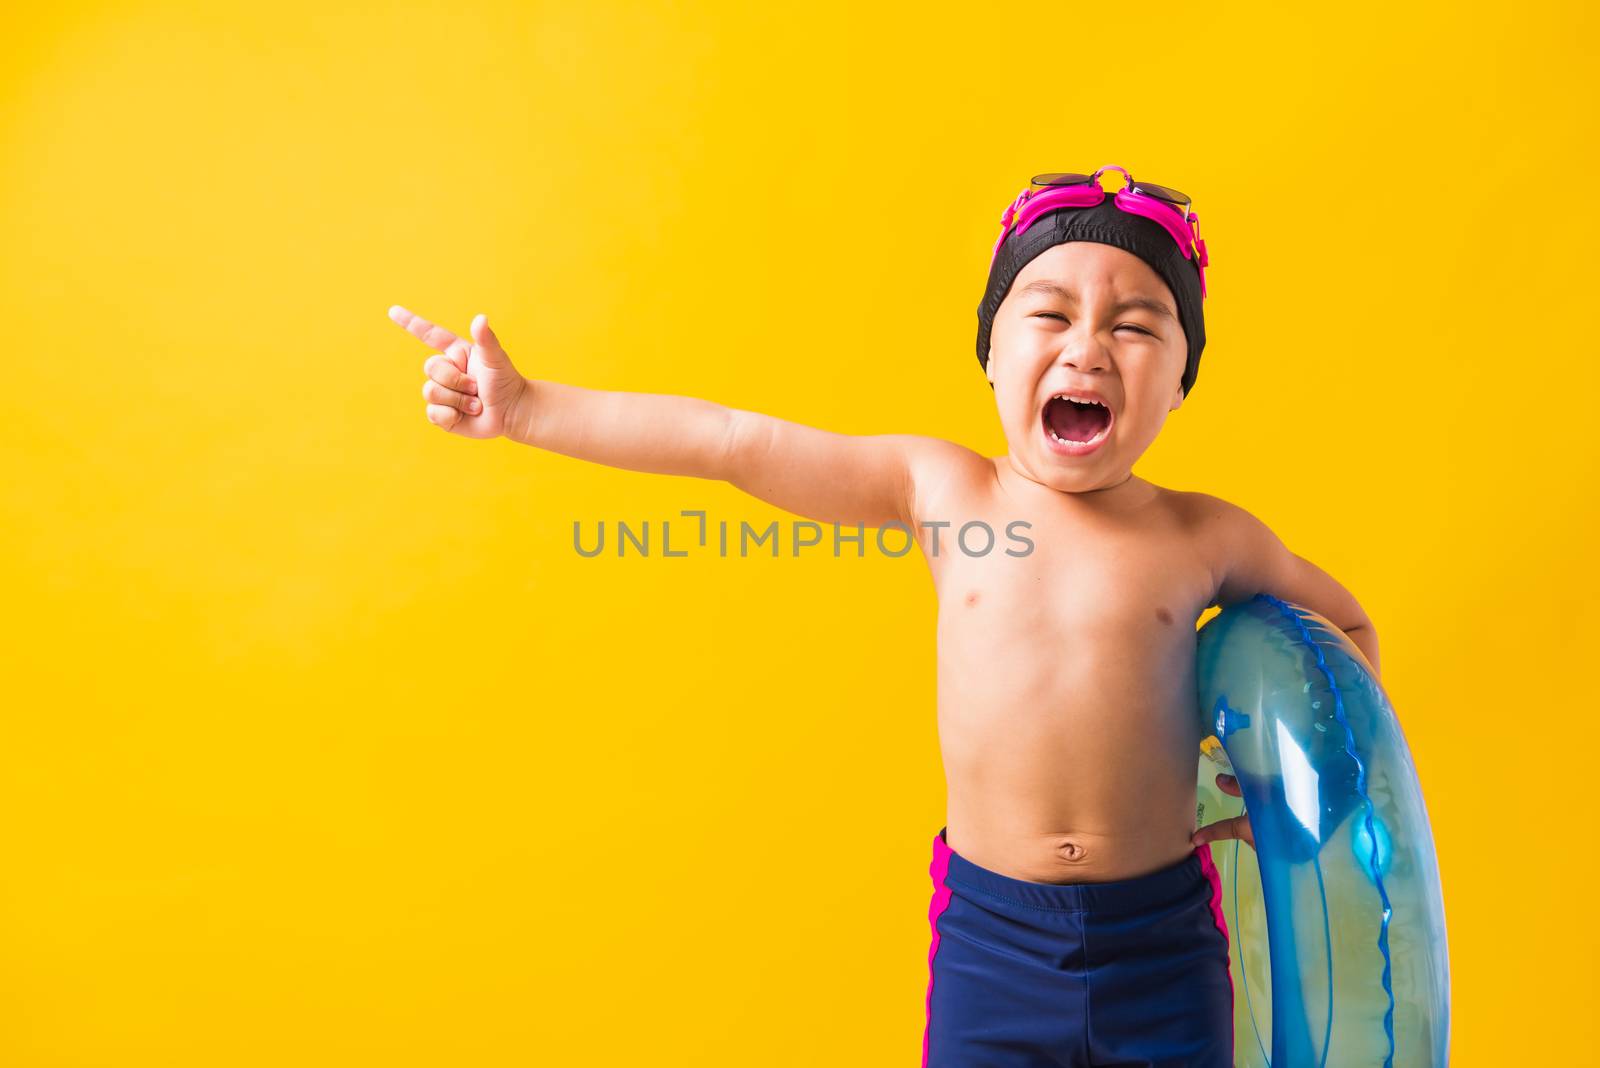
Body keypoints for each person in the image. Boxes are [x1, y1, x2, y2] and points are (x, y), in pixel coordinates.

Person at [387, 166, 1380, 1068]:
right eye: (1049, 314)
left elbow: (1347, 636)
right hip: (997, 944)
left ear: (1179, 379)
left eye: (1134, 325)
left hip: (1162, 943)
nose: (1088, 346)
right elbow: (730, 441)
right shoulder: (945, 490)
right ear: (990, 353)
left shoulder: (1206, 538)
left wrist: (1296, 795)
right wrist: (528, 410)